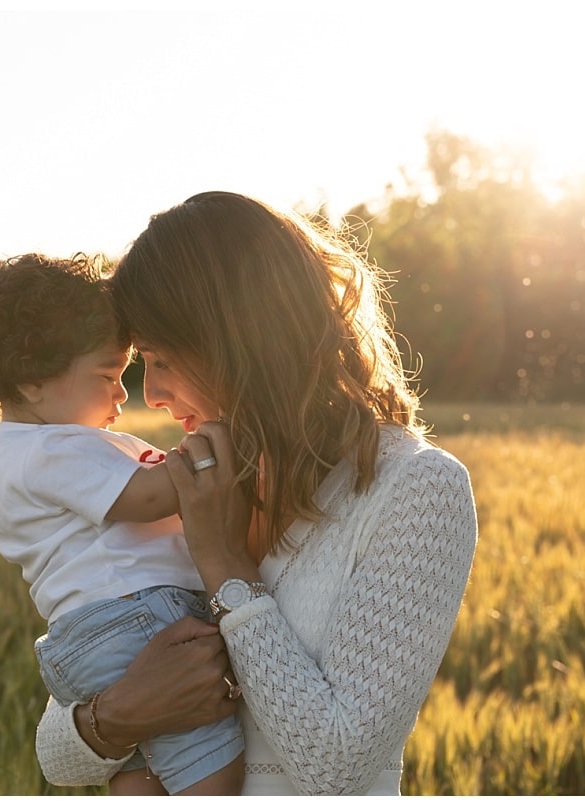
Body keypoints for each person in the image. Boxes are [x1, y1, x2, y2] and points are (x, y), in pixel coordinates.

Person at [33, 191, 479, 796]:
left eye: (162, 359)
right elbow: (55, 755)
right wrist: (119, 714)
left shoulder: (416, 489)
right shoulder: (186, 483)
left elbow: (336, 768)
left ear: (234, 341)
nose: (151, 395)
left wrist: (223, 565)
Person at [0, 253, 245, 796]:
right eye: (107, 376)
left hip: (93, 640)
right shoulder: (51, 448)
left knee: (141, 771)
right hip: (137, 618)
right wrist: (225, 444)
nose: (124, 393)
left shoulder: (27, 452)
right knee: (211, 764)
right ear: (32, 380)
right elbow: (150, 496)